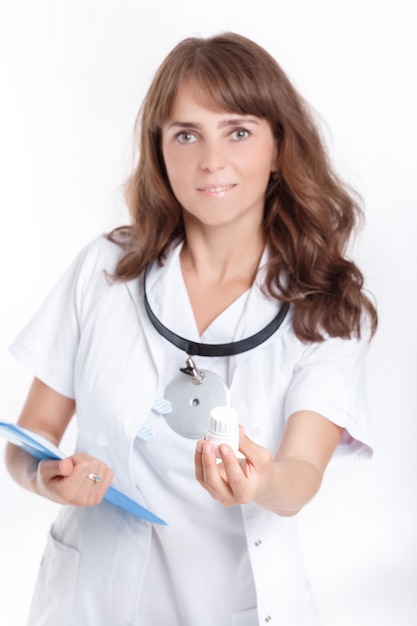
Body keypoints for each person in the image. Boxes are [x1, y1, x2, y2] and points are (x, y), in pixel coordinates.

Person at [5, 32, 377, 626]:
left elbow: (302, 477)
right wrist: (48, 480)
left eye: (238, 131)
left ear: (279, 147)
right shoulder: (103, 270)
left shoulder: (327, 306)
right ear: (160, 150)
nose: (211, 161)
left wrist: (261, 482)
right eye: (186, 134)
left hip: (233, 605)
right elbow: (30, 439)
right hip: (88, 601)